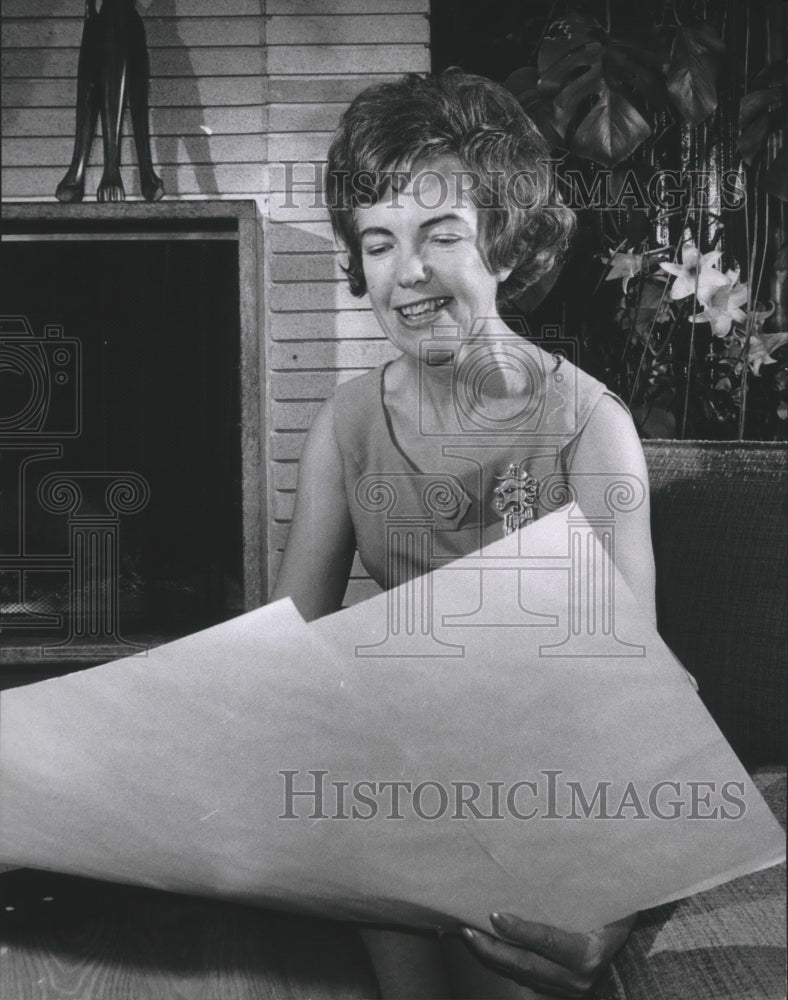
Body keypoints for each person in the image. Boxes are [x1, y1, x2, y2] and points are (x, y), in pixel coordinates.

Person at [271, 70, 653, 998]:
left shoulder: (590, 425)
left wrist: (619, 889)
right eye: (378, 241)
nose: (409, 272)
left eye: (443, 236)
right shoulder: (348, 426)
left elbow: (633, 704)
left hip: (545, 787)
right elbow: (277, 666)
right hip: (394, 790)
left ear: (507, 250)